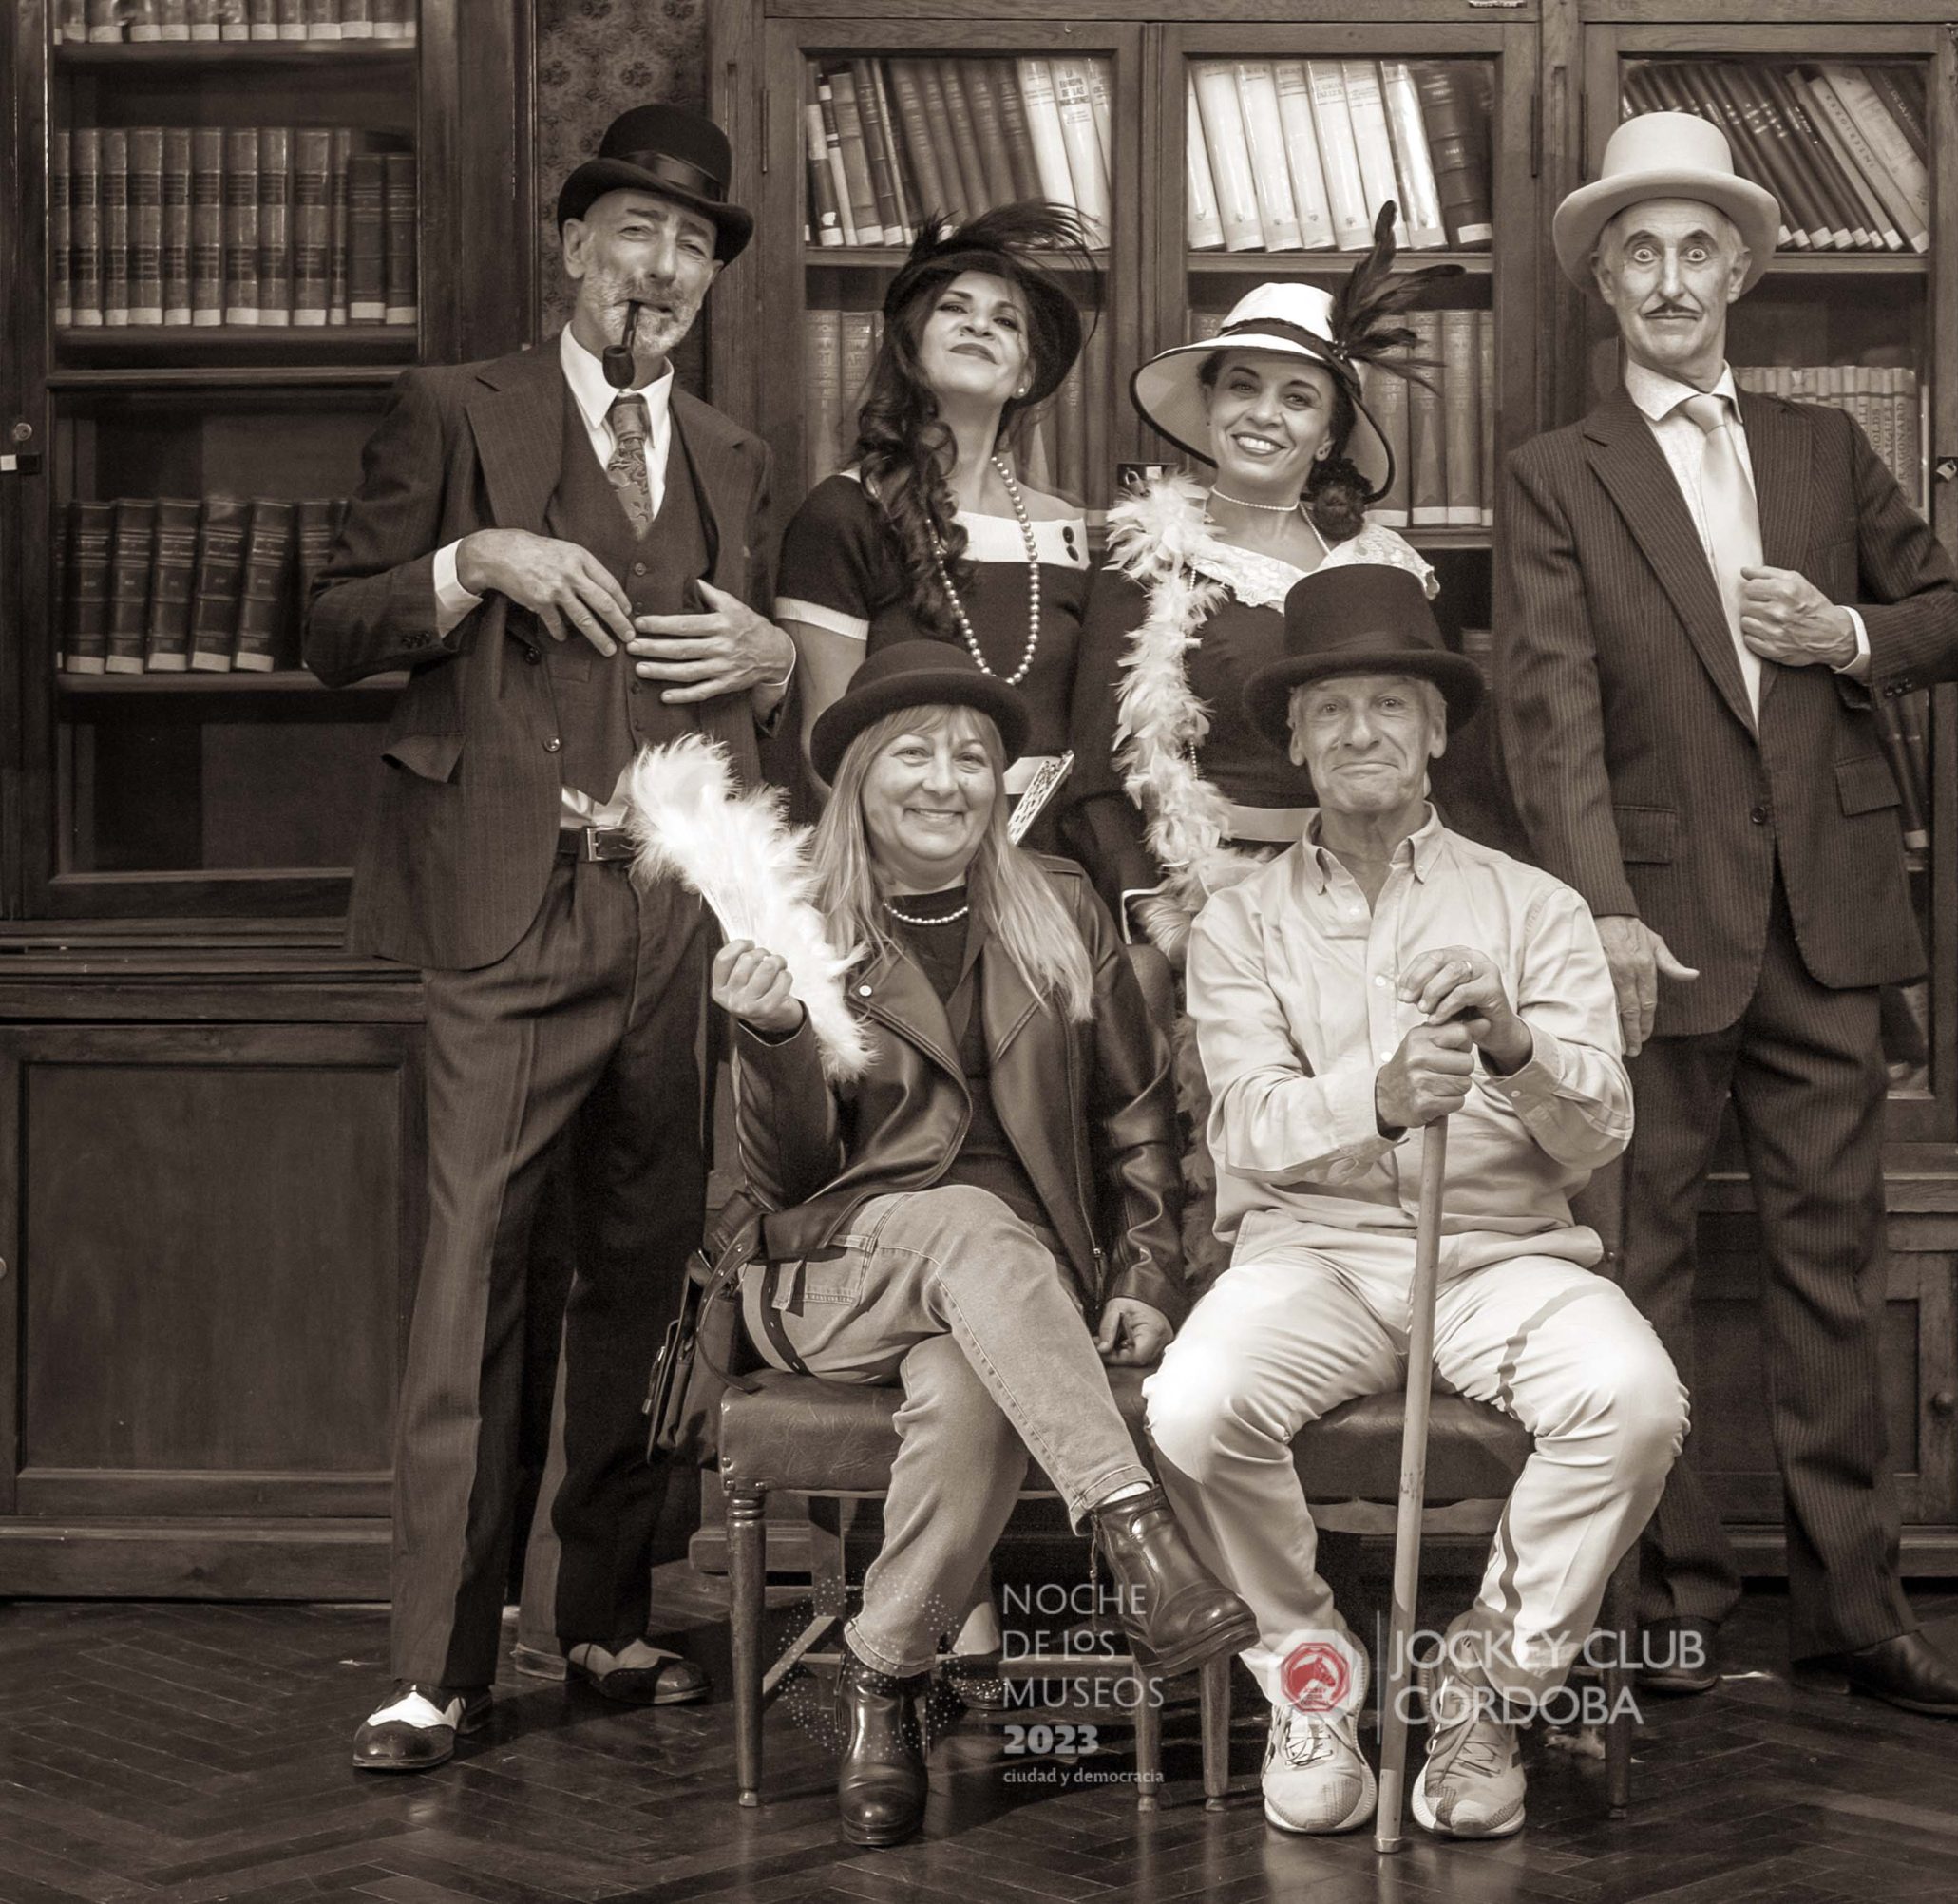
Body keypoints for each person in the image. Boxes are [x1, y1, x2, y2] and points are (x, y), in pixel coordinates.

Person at [1496, 111, 1958, 1718]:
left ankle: (1856, 1616)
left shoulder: (1821, 447)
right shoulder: (1555, 474)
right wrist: (1600, 914)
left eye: (1696, 250)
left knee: (1832, 1273)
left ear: (1739, 273)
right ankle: (1666, 1606)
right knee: (1636, 1274)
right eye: (1639, 253)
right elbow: (1548, 715)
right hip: (1653, 937)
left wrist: (1845, 631)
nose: (1669, 279)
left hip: (1829, 928)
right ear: (1603, 282)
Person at [307, 105, 801, 1772]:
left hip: (677, 917)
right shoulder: (461, 407)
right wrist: (473, 559)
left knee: (641, 1271)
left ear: (709, 281)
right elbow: (332, 627)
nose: (661, 266)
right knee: (476, 1278)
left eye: (693, 245)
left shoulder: (731, 453)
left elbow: (752, 696)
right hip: (507, 906)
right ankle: (434, 1668)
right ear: (575, 247)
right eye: (635, 232)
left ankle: (601, 1615)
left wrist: (775, 663)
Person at [1143, 563, 1683, 1841]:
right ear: (1294, 742)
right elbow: (1246, 1125)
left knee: (1634, 1403)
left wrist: (1515, 1048)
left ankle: (1484, 1690)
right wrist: (1376, 1099)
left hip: (1503, 1257)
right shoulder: (1239, 925)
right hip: (1313, 1261)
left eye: (1389, 705)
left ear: (1437, 730)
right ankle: (1314, 1682)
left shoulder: (1535, 908)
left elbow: (1600, 1127)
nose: (1359, 733)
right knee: (1193, 1407)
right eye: (1328, 711)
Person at [713, 639, 1256, 1849]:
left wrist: (1146, 1273)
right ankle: (1140, 1540)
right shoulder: (791, 917)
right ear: (859, 777)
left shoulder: (1057, 902)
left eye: (971, 758)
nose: (947, 780)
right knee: (967, 1218)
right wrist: (776, 1036)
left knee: (969, 1389)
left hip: (1015, 1293)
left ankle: (883, 1674)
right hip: (832, 1271)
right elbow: (781, 1185)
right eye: (913, 754)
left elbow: (1136, 1117)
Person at [1066, 214, 1454, 1287]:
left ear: (1329, 432)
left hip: (1353, 893)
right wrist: (1159, 916)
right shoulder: (1150, 552)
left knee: (1344, 1134)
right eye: (1242, 388)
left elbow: (1430, 752)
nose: (1263, 415)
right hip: (1185, 898)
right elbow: (1098, 764)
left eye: (1296, 397)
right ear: (1208, 407)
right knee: (1199, 1145)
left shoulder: (1380, 566)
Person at [776, 203, 1097, 845]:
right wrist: (922, 869)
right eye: (955, 308)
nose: (979, 325)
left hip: (1052, 866)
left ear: (1028, 374)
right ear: (911, 345)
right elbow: (825, 748)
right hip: (904, 860)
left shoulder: (1067, 532)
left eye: (1006, 320)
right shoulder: (843, 512)